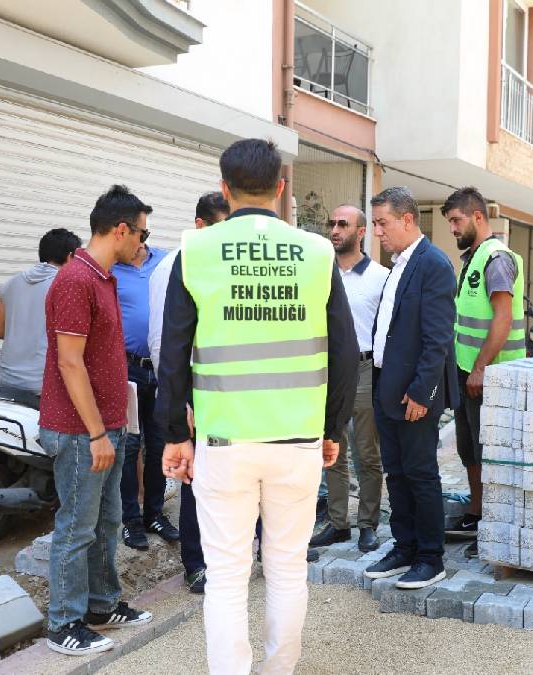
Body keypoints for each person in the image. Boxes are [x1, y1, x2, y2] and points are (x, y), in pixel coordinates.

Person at [155, 138, 358, 674]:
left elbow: (172, 352)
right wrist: (332, 427)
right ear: (281, 189)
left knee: (226, 577)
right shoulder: (317, 253)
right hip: (297, 441)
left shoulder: (195, 251)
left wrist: (176, 432)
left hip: (225, 442)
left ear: (225, 189)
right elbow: (343, 350)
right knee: (288, 571)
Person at [41, 185, 154, 656]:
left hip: (107, 425)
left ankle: (102, 604)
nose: (144, 245)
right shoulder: (75, 280)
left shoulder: (104, 278)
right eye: (142, 233)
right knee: (76, 527)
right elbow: (70, 363)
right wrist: (94, 434)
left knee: (107, 522)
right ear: (121, 229)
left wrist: (114, 427)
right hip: (78, 430)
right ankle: (63, 622)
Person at [361, 186, 458, 591]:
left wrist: (422, 392)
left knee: (420, 473)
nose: (377, 232)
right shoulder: (399, 264)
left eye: (383, 223)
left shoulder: (433, 264)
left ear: (407, 220)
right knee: (396, 473)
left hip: (415, 392)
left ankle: (430, 557)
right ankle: (404, 546)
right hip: (387, 385)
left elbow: (437, 338)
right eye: (375, 224)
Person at [143, 191, 230, 594]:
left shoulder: (222, 262)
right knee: (195, 482)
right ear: (200, 226)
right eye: (220, 227)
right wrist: (179, 402)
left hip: (227, 392)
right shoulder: (175, 266)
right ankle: (195, 564)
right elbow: (164, 343)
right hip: (194, 393)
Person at [441, 187, 525, 559]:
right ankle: (476, 513)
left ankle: (493, 524)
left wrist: (480, 369)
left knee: (490, 452)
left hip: (491, 375)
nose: (453, 229)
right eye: (450, 223)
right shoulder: (472, 258)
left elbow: (502, 319)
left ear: (477, 217)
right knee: (469, 449)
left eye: (457, 221)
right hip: (468, 372)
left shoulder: (496, 258)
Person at [309, 204, 389, 553]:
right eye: (332, 222)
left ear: (361, 232)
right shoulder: (318, 274)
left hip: (364, 369)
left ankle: (367, 523)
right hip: (325, 371)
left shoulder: (381, 277)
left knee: (367, 453)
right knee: (332, 450)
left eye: (343, 224)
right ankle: (339, 523)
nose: (335, 229)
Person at [113, 233, 181, 553]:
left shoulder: (165, 262)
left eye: (144, 233)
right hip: (127, 369)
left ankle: (154, 513)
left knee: (158, 444)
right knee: (129, 445)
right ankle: (130, 519)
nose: (140, 240)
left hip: (162, 366)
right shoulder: (111, 270)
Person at [0, 228, 81, 395]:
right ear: (70, 256)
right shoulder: (66, 287)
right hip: (44, 384)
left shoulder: (9, 284)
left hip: (8, 380)